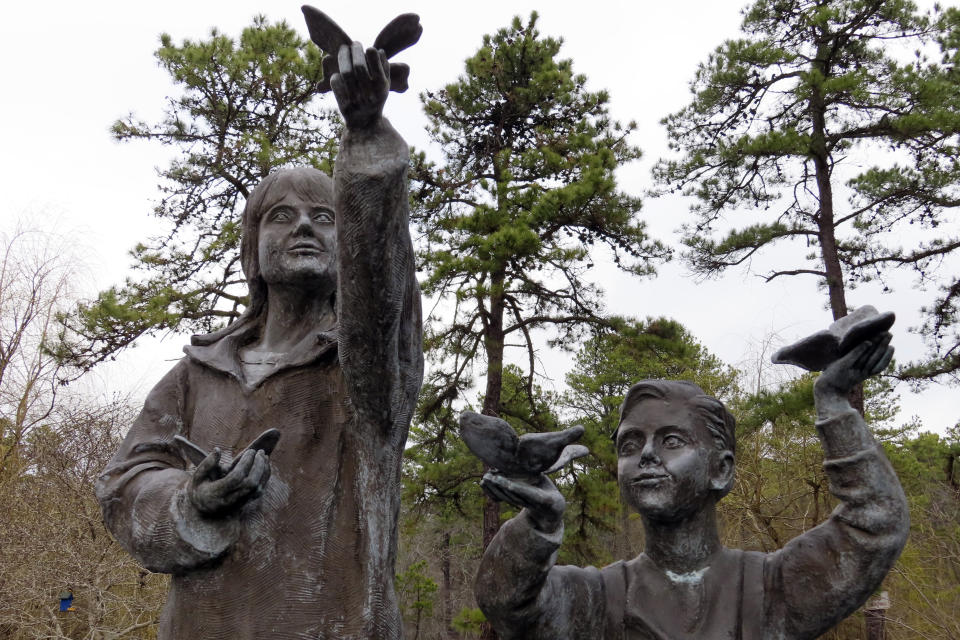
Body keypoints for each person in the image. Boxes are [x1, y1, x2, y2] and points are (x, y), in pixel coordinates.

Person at [96, 41, 422, 639]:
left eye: (324, 216)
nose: (303, 224)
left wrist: (368, 141)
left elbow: (383, 300)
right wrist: (192, 500)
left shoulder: (366, 369)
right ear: (252, 249)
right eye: (281, 215)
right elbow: (123, 483)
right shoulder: (197, 373)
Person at [475, 334, 909, 639]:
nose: (645, 454)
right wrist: (538, 526)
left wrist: (834, 407)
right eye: (630, 443)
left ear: (720, 470)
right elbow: (507, 606)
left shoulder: (771, 590)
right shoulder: (595, 599)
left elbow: (874, 524)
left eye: (671, 441)